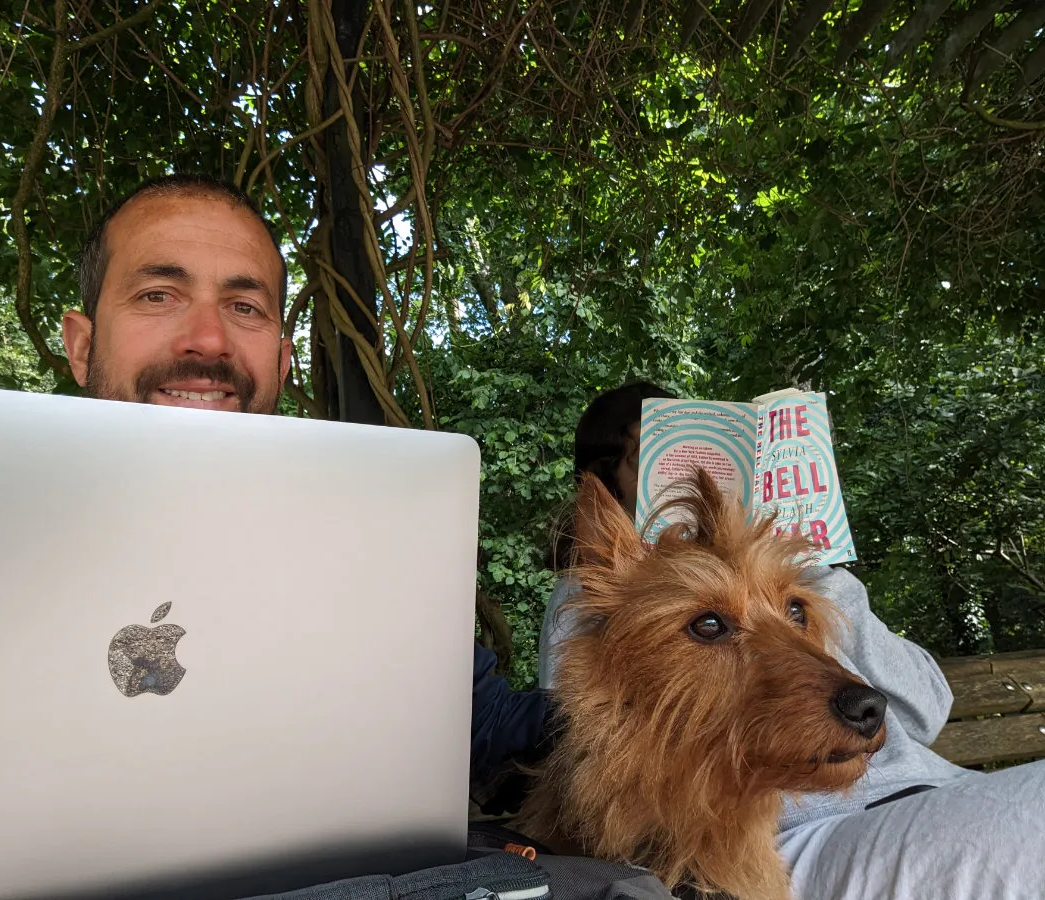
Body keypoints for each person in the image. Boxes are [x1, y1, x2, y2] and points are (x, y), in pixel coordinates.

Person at [60, 174, 552, 809]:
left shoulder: (364, 542)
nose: (208, 339)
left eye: (245, 307)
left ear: (284, 361)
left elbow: (487, 732)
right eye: (158, 295)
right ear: (81, 344)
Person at [539, 382, 1045, 900]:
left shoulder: (806, 579)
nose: (695, 469)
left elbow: (926, 712)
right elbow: (592, 738)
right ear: (608, 477)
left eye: (706, 444)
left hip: (944, 795)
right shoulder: (594, 592)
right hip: (801, 835)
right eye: (654, 451)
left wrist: (816, 575)